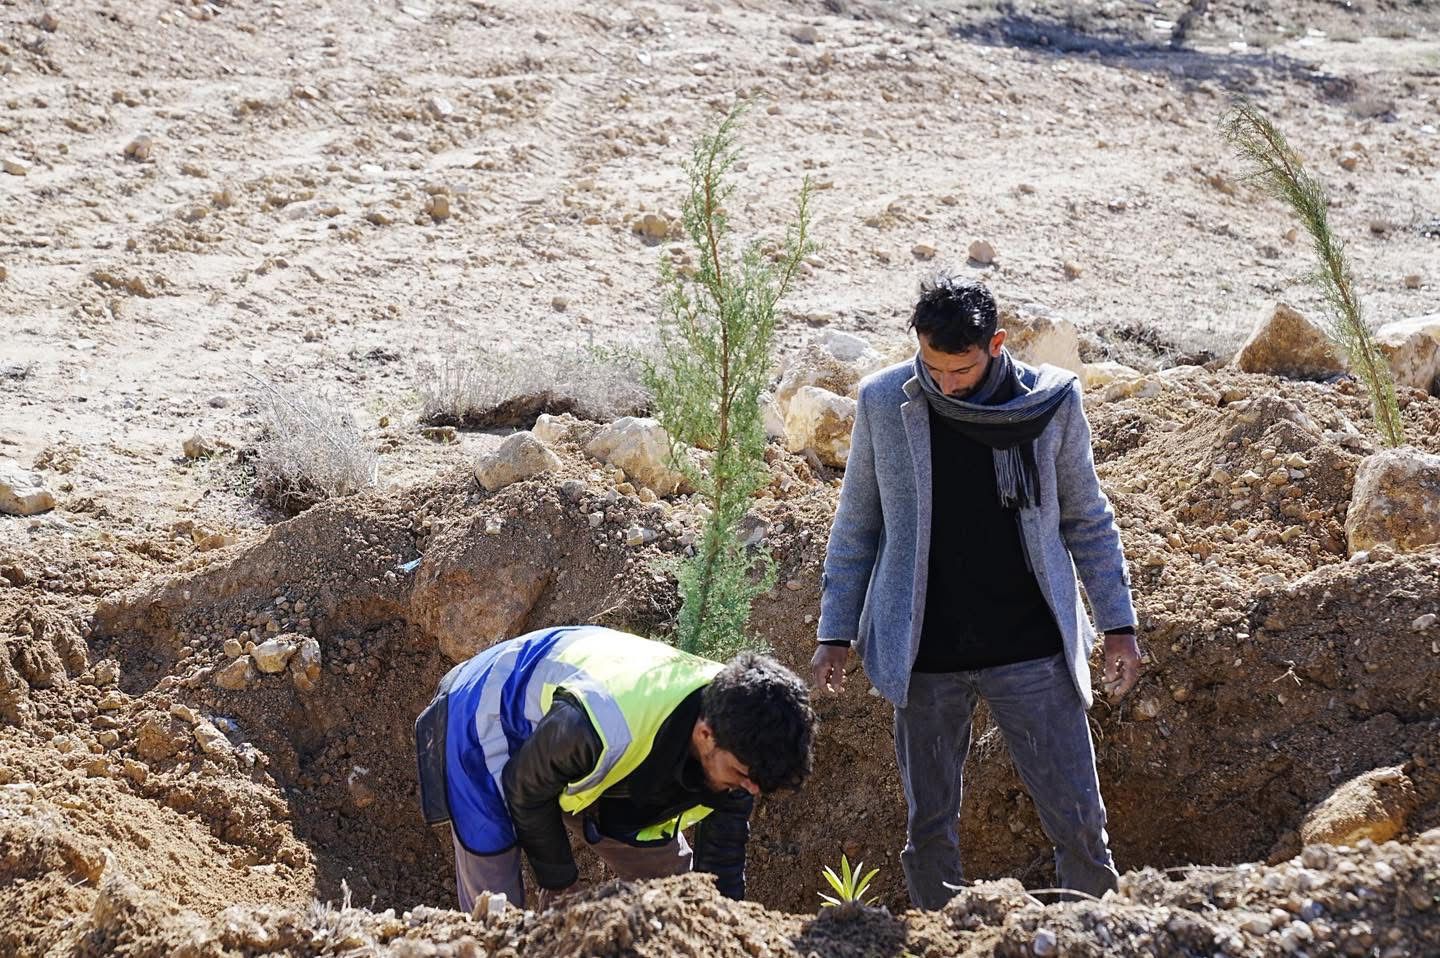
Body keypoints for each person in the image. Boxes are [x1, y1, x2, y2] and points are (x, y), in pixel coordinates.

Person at [810, 275, 1141, 907]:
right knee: (929, 827)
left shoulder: (1051, 403)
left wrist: (1118, 623)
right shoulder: (886, 400)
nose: (945, 384)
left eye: (959, 370)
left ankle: (1092, 935)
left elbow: (1086, 517)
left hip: (1032, 648)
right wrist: (835, 633)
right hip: (925, 653)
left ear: (996, 344)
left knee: (1079, 823)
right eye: (931, 366)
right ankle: (937, 938)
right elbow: (857, 526)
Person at [415, 625, 815, 912]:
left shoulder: (743, 736)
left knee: (680, 897)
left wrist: (726, 929)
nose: (750, 789)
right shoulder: (602, 723)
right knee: (497, 911)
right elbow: (525, 788)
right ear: (705, 735)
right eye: (744, 775)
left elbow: (721, 865)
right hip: (488, 716)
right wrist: (560, 885)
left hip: (582, 759)